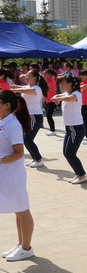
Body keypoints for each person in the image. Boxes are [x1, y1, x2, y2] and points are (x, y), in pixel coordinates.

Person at [0, 90, 36, 261]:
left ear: (7, 105)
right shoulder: (3, 122)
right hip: (5, 174)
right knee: (17, 210)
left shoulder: (13, 124)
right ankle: (21, 244)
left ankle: (27, 248)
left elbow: (19, 153)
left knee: (22, 209)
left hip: (13, 174)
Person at [52, 75, 87, 184]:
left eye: (63, 83)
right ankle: (79, 174)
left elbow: (71, 98)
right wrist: (56, 97)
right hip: (69, 128)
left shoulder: (76, 94)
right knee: (66, 153)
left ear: (70, 84)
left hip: (76, 128)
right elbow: (60, 96)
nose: (61, 85)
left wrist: (59, 98)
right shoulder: (66, 94)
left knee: (70, 153)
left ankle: (81, 175)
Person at [11, 71, 47, 168]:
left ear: (34, 78)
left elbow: (28, 91)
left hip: (35, 117)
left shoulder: (37, 88)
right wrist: (14, 87)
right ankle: (35, 158)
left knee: (28, 139)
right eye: (26, 76)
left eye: (28, 76)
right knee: (26, 139)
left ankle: (39, 159)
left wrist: (16, 89)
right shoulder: (26, 87)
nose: (26, 78)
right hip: (28, 117)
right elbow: (22, 88)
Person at [43, 69, 58, 135]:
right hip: (48, 100)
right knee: (48, 116)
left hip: (51, 101)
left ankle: (53, 130)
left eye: (45, 74)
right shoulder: (47, 80)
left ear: (49, 75)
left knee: (49, 116)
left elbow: (45, 88)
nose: (44, 75)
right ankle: (52, 130)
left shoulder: (51, 82)